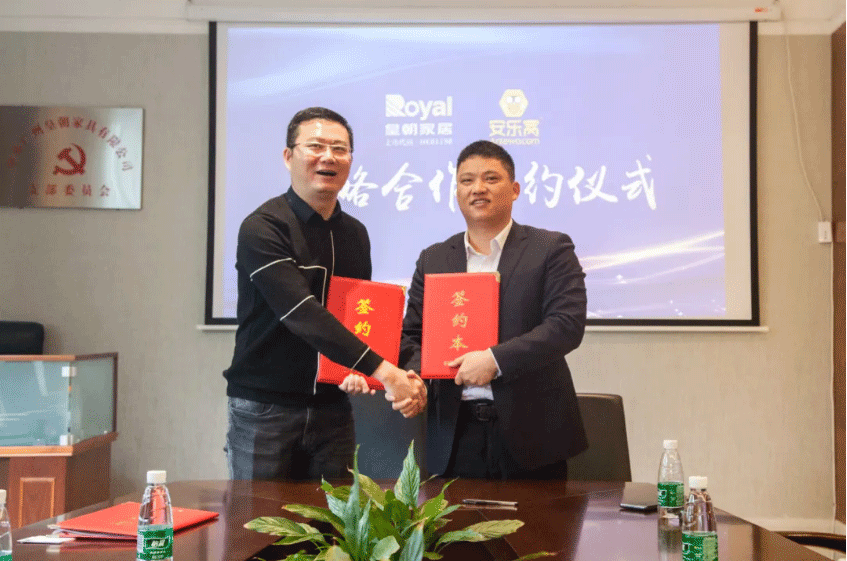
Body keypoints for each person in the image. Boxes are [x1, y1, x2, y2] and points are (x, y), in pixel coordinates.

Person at [224, 107, 426, 481]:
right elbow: (301, 312)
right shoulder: (263, 227)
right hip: (266, 407)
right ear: (289, 156)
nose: (328, 157)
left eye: (340, 149)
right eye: (316, 146)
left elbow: (361, 320)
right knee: (257, 515)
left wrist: (366, 372)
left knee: (335, 515)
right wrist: (384, 372)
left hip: (332, 407)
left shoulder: (355, 234)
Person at [399, 140, 588, 479]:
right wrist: (415, 379)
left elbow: (566, 325)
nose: (478, 188)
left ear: (514, 189)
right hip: (454, 435)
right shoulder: (434, 258)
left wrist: (494, 360)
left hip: (533, 433)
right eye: (467, 180)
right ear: (457, 191)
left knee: (539, 517)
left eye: (490, 178)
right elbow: (412, 335)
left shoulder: (550, 248)